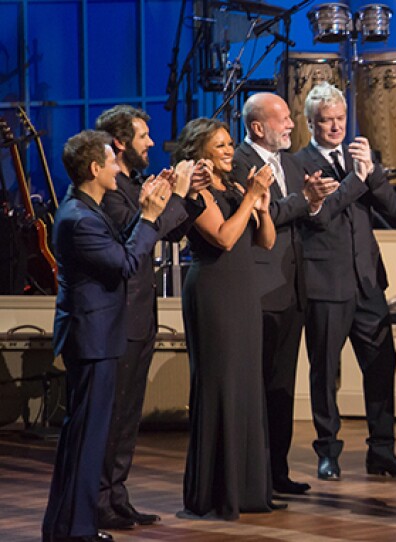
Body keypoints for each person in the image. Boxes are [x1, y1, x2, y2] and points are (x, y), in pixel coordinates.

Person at [43, 129, 171, 542]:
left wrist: (144, 212)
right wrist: (149, 217)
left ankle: (67, 526)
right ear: (96, 168)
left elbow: (120, 245)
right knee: (86, 440)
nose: (119, 167)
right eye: (112, 162)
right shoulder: (78, 219)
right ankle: (76, 530)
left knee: (86, 438)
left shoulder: (86, 209)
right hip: (92, 340)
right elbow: (124, 263)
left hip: (98, 338)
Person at [293, 82, 396, 481]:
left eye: (340, 119)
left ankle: (382, 451)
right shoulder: (298, 164)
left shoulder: (360, 159)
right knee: (324, 371)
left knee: (382, 366)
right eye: (326, 121)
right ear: (310, 123)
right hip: (325, 284)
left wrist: (374, 173)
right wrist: (357, 180)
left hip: (367, 283)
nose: (335, 127)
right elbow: (320, 214)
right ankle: (327, 451)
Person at [94, 104, 207, 530]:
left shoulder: (137, 182)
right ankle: (99, 500)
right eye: (142, 137)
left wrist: (190, 195)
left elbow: (173, 232)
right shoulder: (109, 189)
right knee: (113, 416)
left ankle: (116, 496)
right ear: (120, 142)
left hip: (141, 315)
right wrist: (172, 196)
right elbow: (139, 233)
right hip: (118, 317)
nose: (151, 144)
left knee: (128, 418)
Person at [231, 92, 339, 497]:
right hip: (259, 292)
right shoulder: (241, 163)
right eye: (283, 120)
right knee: (257, 388)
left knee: (282, 389)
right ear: (258, 127)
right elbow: (266, 216)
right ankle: (254, 476)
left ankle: (277, 471)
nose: (292, 125)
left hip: (292, 291)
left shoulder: (293, 163)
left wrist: (313, 202)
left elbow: (302, 214)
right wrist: (303, 201)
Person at [173, 118, 279, 519]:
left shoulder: (235, 188)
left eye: (229, 143)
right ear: (200, 153)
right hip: (213, 293)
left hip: (243, 292)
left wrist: (262, 207)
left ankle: (249, 488)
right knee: (221, 385)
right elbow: (223, 237)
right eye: (219, 145)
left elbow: (264, 242)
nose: (229, 150)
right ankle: (216, 492)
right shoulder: (198, 194)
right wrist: (252, 197)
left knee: (246, 385)